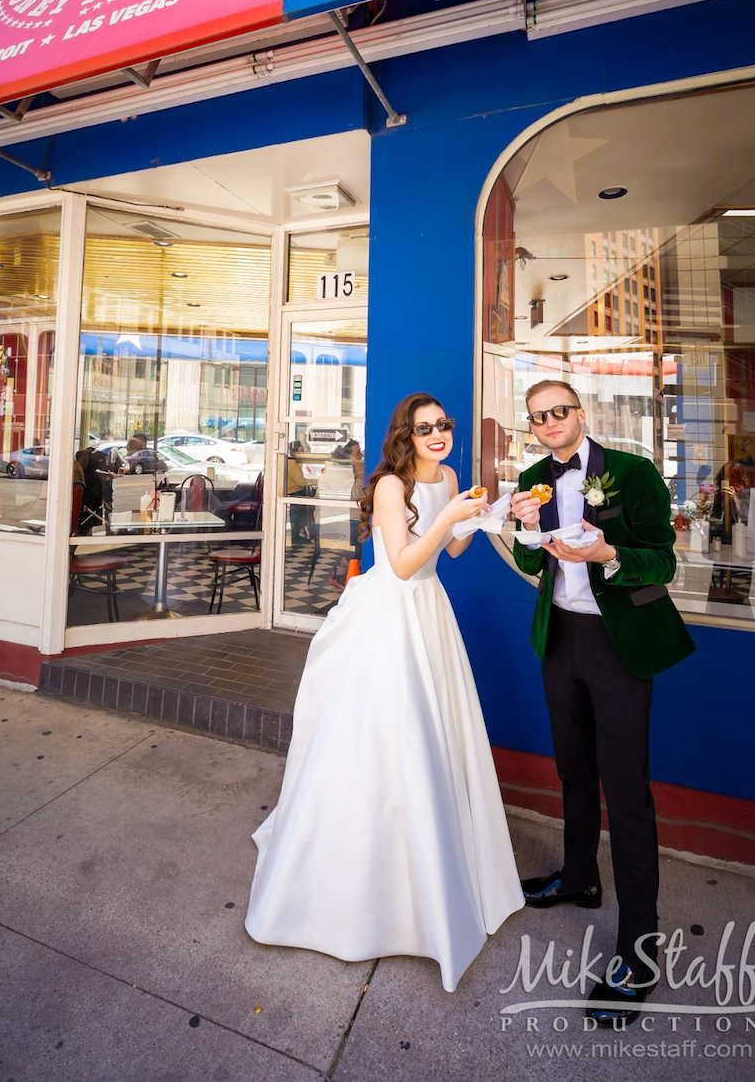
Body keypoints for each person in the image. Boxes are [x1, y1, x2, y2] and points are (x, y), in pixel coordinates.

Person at [245, 392, 525, 992]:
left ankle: (435, 859)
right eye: (425, 428)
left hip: (429, 611)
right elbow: (399, 564)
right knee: (385, 736)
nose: (437, 435)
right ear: (407, 433)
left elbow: (451, 550)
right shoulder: (392, 487)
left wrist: (484, 512)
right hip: (390, 613)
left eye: (443, 425)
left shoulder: (448, 476)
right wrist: (451, 518)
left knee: (434, 735)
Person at [508, 380, 697, 1027]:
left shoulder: (633, 472)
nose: (549, 423)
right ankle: (579, 877)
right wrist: (526, 531)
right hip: (559, 639)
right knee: (572, 769)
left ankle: (639, 954)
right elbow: (527, 560)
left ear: (580, 415)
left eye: (558, 411)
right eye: (538, 417)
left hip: (620, 646)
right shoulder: (533, 476)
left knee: (626, 789)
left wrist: (611, 551)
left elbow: (663, 562)